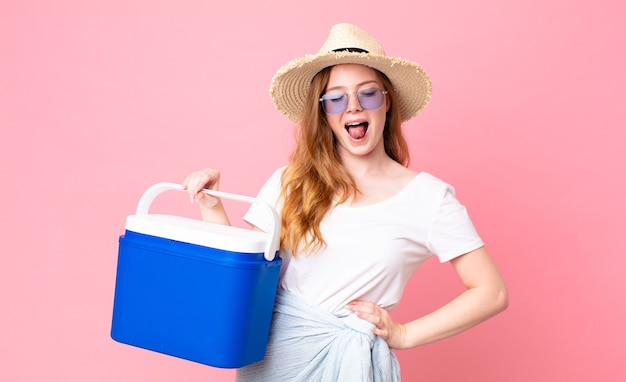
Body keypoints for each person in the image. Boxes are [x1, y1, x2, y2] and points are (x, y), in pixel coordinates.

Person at [183, 23, 508, 381]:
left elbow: (491, 292)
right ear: (323, 114)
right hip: (273, 361)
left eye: (367, 94)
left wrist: (404, 334)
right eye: (335, 98)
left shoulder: (429, 198)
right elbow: (243, 278)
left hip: (352, 363)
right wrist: (210, 204)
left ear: (387, 103)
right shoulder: (288, 181)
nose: (352, 107)